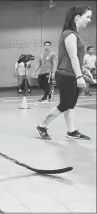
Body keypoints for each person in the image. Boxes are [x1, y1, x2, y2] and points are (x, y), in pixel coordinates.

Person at [36, 5, 92, 140]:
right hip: (67, 75)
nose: (89, 20)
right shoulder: (69, 35)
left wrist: (84, 70)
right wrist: (79, 76)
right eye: (88, 17)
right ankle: (42, 126)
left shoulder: (74, 35)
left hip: (72, 74)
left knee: (70, 105)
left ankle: (71, 131)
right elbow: (72, 57)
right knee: (65, 104)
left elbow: (72, 57)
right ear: (77, 17)